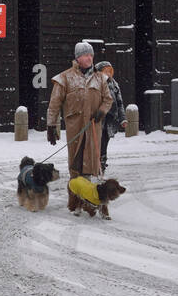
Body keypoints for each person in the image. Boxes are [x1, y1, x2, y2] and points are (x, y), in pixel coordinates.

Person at [46, 41, 113, 212]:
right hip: (75, 127)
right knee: (75, 164)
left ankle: (90, 198)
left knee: (91, 163)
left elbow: (108, 99)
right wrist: (51, 125)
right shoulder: (65, 78)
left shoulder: (100, 78)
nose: (89, 58)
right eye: (85, 55)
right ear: (77, 57)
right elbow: (54, 104)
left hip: (93, 127)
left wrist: (102, 111)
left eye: (91, 55)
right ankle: (74, 199)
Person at [95, 61, 125, 173]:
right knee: (97, 141)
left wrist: (123, 118)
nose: (108, 73)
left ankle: (102, 161)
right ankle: (95, 163)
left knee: (104, 141)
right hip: (98, 118)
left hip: (110, 119)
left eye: (110, 71)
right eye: (105, 71)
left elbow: (119, 102)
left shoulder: (114, 85)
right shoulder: (96, 84)